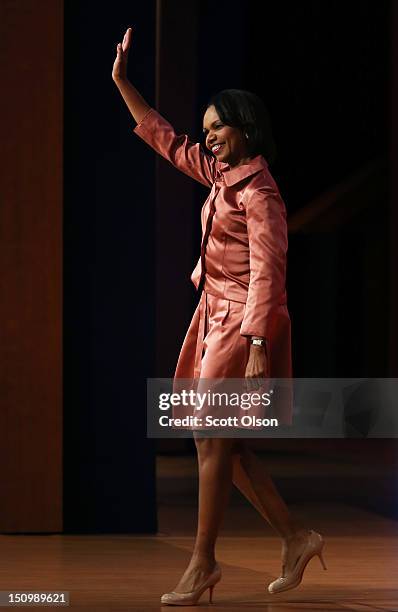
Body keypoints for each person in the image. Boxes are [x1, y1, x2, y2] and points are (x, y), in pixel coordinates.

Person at [112, 26, 327, 606]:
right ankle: (296, 536)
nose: (207, 139)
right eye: (206, 130)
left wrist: (257, 342)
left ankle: (203, 562)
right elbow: (165, 140)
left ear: (246, 128)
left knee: (210, 437)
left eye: (217, 128)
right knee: (223, 446)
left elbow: (269, 272)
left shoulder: (260, 194)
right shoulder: (221, 176)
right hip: (211, 318)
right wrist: (123, 83)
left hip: (240, 324)